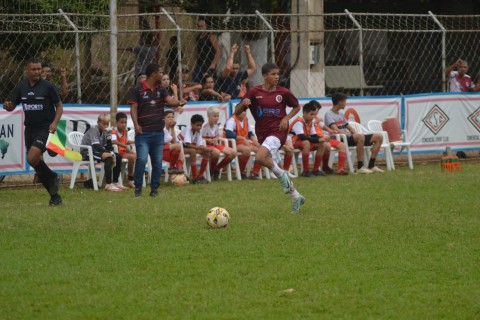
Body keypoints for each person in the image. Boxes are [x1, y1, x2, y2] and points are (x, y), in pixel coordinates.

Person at [234, 62, 305, 214]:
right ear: (265, 76)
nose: (277, 77)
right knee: (268, 161)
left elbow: (297, 106)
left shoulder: (284, 92)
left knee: (260, 157)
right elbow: (237, 110)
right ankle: (295, 195)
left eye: (277, 74)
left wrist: (286, 118)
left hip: (278, 132)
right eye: (273, 74)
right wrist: (244, 104)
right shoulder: (254, 91)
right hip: (262, 134)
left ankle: (282, 176)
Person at [3, 57, 63, 206]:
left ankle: (54, 176)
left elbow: (59, 106)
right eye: (34, 69)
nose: (37, 72)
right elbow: (12, 105)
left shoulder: (48, 86)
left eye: (39, 69)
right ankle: (55, 197)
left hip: (44, 128)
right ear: (27, 70)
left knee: (32, 158)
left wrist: (54, 123)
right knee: (36, 163)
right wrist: (7, 105)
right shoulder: (22, 86)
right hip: (29, 128)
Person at [130, 63, 186, 197]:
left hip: (158, 133)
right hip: (143, 133)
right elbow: (133, 109)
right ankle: (138, 188)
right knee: (142, 159)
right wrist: (136, 124)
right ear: (154, 74)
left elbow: (170, 102)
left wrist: (178, 101)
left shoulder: (161, 90)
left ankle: (154, 189)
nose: (162, 75)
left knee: (157, 163)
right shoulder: (137, 89)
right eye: (161, 72)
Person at [324, 92, 384, 174]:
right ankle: (360, 167)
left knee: (378, 137)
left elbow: (349, 127)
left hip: (350, 138)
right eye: (344, 101)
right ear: (339, 102)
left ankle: (371, 165)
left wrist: (355, 132)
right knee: (360, 137)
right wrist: (350, 134)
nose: (345, 103)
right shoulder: (329, 114)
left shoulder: (341, 114)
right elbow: (336, 130)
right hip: (341, 139)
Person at [81, 113, 126, 191]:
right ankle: (108, 184)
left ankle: (116, 182)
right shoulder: (93, 129)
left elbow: (109, 147)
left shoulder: (105, 131)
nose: (105, 126)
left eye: (107, 124)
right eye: (103, 123)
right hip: (87, 152)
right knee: (109, 157)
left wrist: (109, 137)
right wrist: (109, 153)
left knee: (118, 156)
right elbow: (96, 146)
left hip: (97, 151)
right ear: (98, 122)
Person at [288, 102, 328, 177]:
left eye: (314, 114)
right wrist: (318, 140)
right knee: (306, 143)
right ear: (305, 113)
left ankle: (316, 169)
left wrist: (322, 139)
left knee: (323, 144)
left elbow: (314, 135)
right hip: (291, 142)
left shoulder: (310, 122)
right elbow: (302, 137)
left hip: (302, 142)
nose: (313, 117)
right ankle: (305, 170)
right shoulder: (298, 121)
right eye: (311, 114)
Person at [311, 100, 348, 175]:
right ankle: (323, 167)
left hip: (323, 138)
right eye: (315, 109)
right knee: (327, 145)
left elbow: (323, 126)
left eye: (318, 109)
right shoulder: (308, 118)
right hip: (315, 139)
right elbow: (307, 127)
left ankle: (340, 168)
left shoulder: (317, 118)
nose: (317, 111)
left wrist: (330, 130)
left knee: (342, 146)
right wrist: (315, 122)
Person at [224, 109, 262, 179]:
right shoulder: (232, 120)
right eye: (242, 111)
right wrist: (242, 138)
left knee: (260, 149)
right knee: (246, 150)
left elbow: (250, 133)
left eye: (245, 111)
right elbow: (228, 134)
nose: (244, 113)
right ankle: (241, 172)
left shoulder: (245, 119)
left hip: (244, 143)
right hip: (233, 143)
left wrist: (254, 140)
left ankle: (255, 173)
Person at [201, 106, 237, 180]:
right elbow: (198, 138)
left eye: (217, 116)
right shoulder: (204, 126)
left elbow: (217, 135)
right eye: (214, 116)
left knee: (233, 153)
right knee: (216, 153)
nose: (216, 118)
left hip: (215, 144)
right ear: (208, 116)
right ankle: (211, 170)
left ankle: (217, 168)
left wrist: (216, 138)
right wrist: (208, 140)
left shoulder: (216, 125)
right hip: (206, 145)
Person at [178, 114, 213, 184]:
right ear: (192, 124)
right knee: (192, 151)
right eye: (197, 125)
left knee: (207, 152)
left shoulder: (199, 131)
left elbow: (200, 145)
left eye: (200, 125)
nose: (199, 127)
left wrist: (207, 149)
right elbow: (187, 145)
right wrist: (202, 148)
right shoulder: (188, 129)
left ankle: (200, 176)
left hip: (189, 148)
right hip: (180, 148)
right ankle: (194, 177)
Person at [192, 17, 220, 83]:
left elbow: (218, 51)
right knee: (196, 81)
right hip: (200, 64)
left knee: (209, 82)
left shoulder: (211, 36)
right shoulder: (198, 37)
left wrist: (213, 64)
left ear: (206, 26)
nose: (200, 28)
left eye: (202, 26)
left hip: (209, 64)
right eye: (199, 26)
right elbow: (197, 52)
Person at [112, 112, 136, 188]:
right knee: (131, 157)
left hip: (124, 151)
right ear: (116, 123)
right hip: (117, 152)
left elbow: (127, 141)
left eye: (125, 122)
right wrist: (125, 146)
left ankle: (136, 178)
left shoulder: (125, 131)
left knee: (138, 156)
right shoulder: (113, 131)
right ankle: (130, 179)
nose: (124, 124)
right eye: (121, 122)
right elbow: (113, 141)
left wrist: (135, 141)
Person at [163, 110, 184, 175]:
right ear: (164, 119)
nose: (171, 118)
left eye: (172, 117)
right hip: (158, 149)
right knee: (178, 146)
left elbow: (173, 142)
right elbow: (174, 144)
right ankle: (172, 167)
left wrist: (172, 128)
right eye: (168, 117)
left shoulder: (170, 128)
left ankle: (179, 172)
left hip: (166, 149)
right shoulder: (162, 128)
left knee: (179, 150)